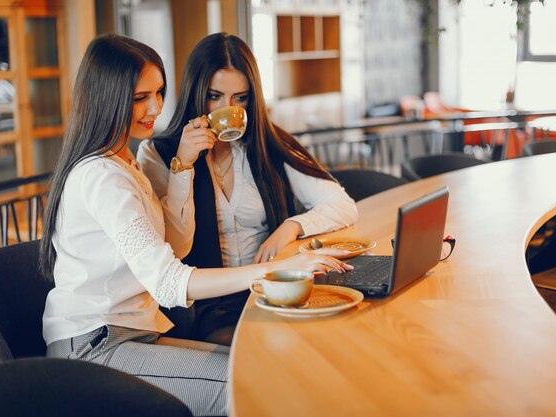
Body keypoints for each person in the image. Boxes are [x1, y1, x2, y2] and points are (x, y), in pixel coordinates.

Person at [39, 33, 351, 416]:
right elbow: (170, 281)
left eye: (159, 93)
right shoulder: (103, 177)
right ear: (107, 97)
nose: (154, 108)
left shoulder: (124, 164)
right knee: (259, 379)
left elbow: (177, 245)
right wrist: (277, 269)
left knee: (273, 364)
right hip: (95, 347)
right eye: (140, 98)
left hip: (134, 334)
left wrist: (184, 167)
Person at [137, 32, 358, 344]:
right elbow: (174, 245)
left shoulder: (268, 143)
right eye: (214, 96)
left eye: (239, 98)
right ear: (195, 92)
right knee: (268, 352)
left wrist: (291, 226)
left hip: (276, 290)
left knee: (337, 337)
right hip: (210, 308)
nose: (227, 109)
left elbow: (343, 204)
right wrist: (184, 166)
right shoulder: (159, 153)